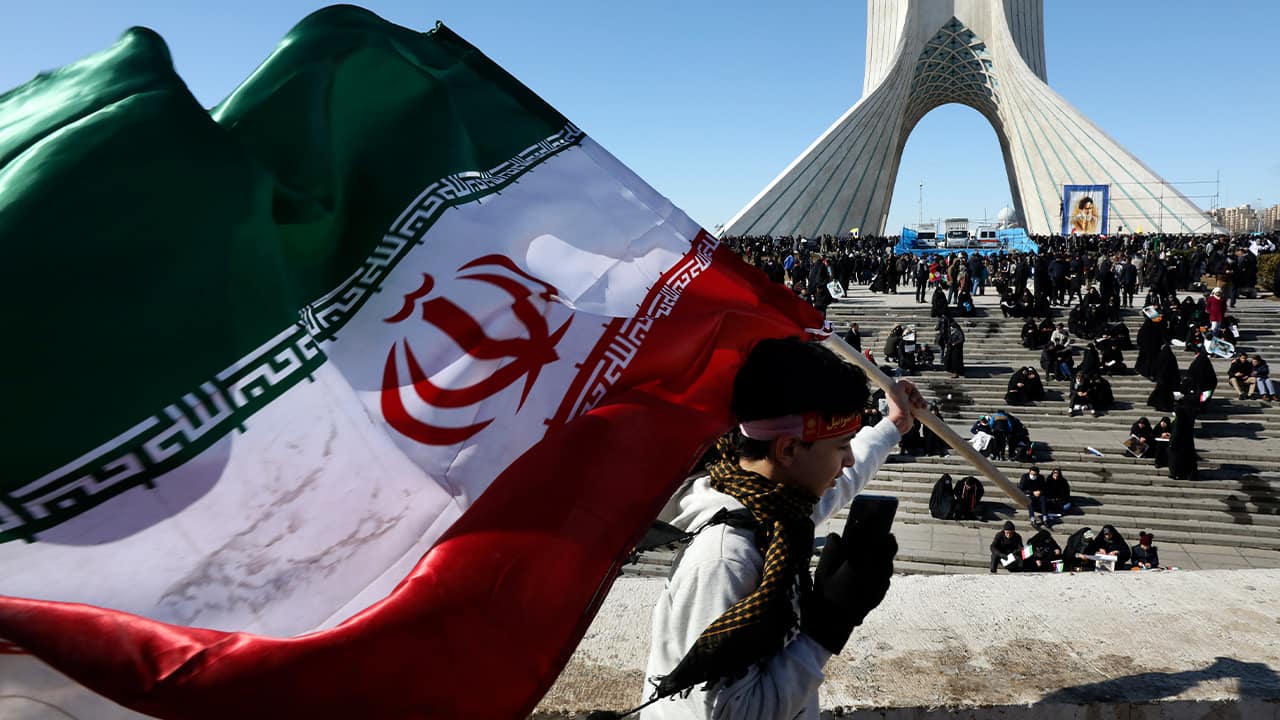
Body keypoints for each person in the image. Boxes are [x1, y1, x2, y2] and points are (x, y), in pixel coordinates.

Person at [641, 337, 926, 720]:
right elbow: (728, 715)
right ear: (789, 450)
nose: (849, 459)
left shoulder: (771, 503)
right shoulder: (726, 559)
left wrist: (892, 427)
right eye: (842, 446)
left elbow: (839, 481)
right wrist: (827, 626)